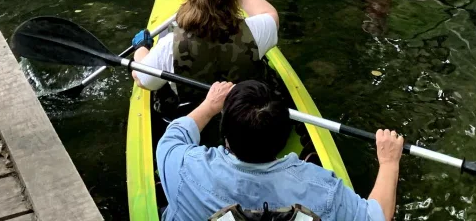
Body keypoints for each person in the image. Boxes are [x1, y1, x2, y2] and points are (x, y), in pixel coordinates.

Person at [157, 79, 404, 221]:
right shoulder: (323, 189)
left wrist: (210, 106)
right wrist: (389, 162)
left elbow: (175, 135)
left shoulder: (184, 165)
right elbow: (377, 216)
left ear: (225, 135)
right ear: (285, 138)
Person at [131, 0, 278, 113]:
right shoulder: (256, 29)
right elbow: (269, 12)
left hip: (192, 110)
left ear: (190, 3)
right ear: (232, 1)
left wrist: (142, 48)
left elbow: (142, 80)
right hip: (244, 108)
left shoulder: (170, 45)